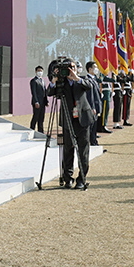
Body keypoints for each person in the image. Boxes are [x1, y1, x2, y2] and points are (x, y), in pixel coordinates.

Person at [45, 60, 91, 189]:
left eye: (73, 67)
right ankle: (67, 178)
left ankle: (82, 179)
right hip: (67, 119)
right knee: (67, 150)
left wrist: (76, 78)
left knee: (83, 150)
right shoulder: (61, 83)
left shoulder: (82, 80)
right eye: (68, 68)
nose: (70, 70)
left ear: (77, 68)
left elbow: (89, 86)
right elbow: (50, 93)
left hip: (82, 119)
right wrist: (54, 80)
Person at [30, 65, 47, 131]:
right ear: (36, 71)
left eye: (41, 71)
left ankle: (40, 131)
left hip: (43, 102)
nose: (40, 72)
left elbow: (44, 91)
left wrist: (46, 101)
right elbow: (33, 92)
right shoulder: (34, 81)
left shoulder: (43, 80)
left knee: (41, 118)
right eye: (38, 71)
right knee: (36, 117)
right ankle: (32, 130)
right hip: (37, 102)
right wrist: (36, 101)